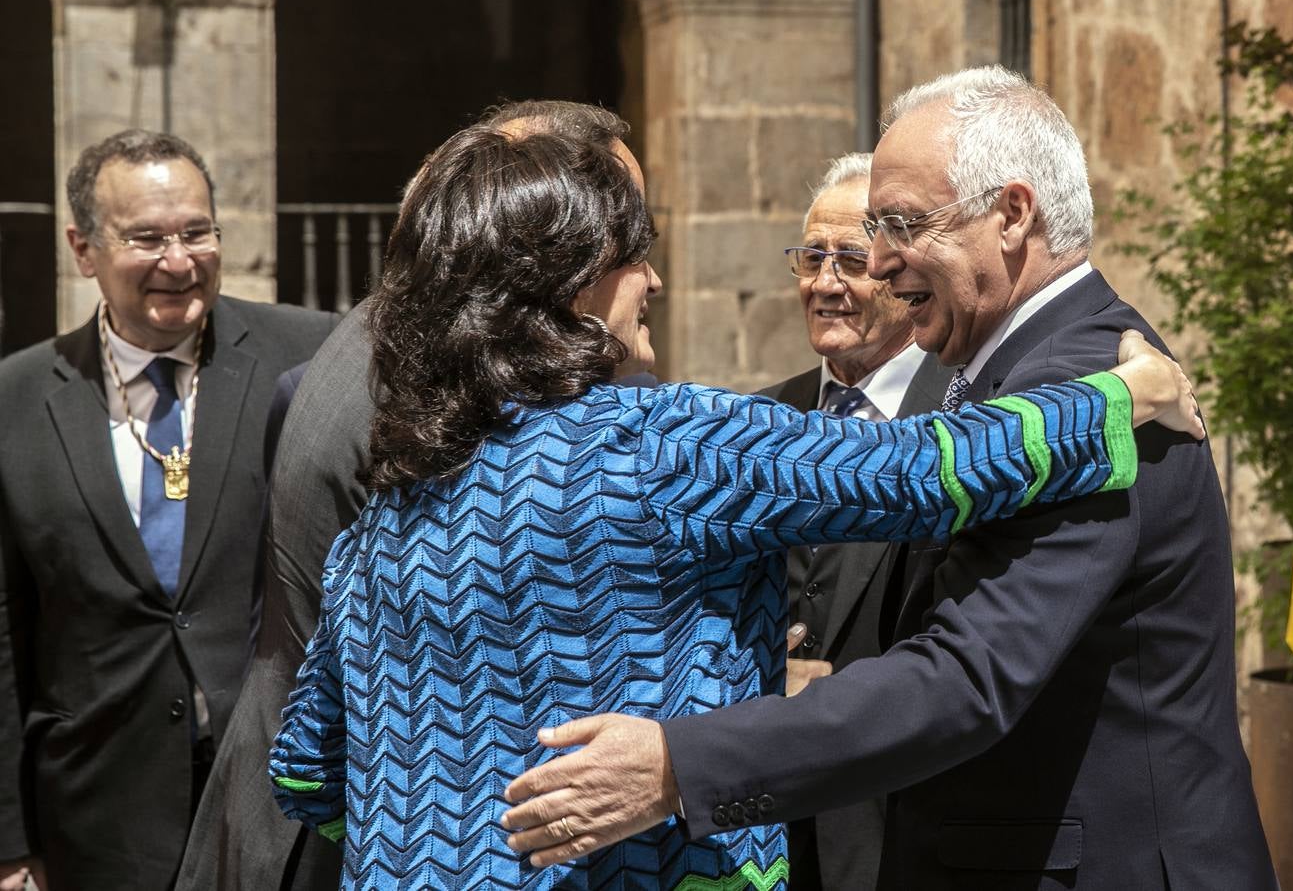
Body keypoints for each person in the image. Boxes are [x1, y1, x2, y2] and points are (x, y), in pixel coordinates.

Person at [267, 123, 1201, 889]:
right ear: (570, 281)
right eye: (634, 256)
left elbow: (307, 770)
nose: (656, 282)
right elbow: (926, 471)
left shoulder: (385, 520)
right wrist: (1123, 396)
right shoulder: (658, 444)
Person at [502, 65, 1278, 889]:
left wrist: (677, 764)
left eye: (901, 224)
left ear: (1012, 214)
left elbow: (966, 678)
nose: (875, 263)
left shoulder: (1079, 378)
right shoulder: (1053, 380)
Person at [175, 100, 642, 891]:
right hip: (353, 819)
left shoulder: (388, 348)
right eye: (619, 225)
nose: (643, 261)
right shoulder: (442, 394)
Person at [0, 129, 338, 891]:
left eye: (197, 232)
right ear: (83, 249)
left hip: (279, 800)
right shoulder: (14, 401)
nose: (179, 261)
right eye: (146, 237)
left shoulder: (308, 355)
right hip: (96, 816)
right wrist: (9, 842)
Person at [768, 152, 947, 891]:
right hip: (767, 825)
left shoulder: (964, 422)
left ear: (898, 273)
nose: (823, 283)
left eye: (848, 259)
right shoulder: (759, 421)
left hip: (904, 827)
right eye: (810, 257)